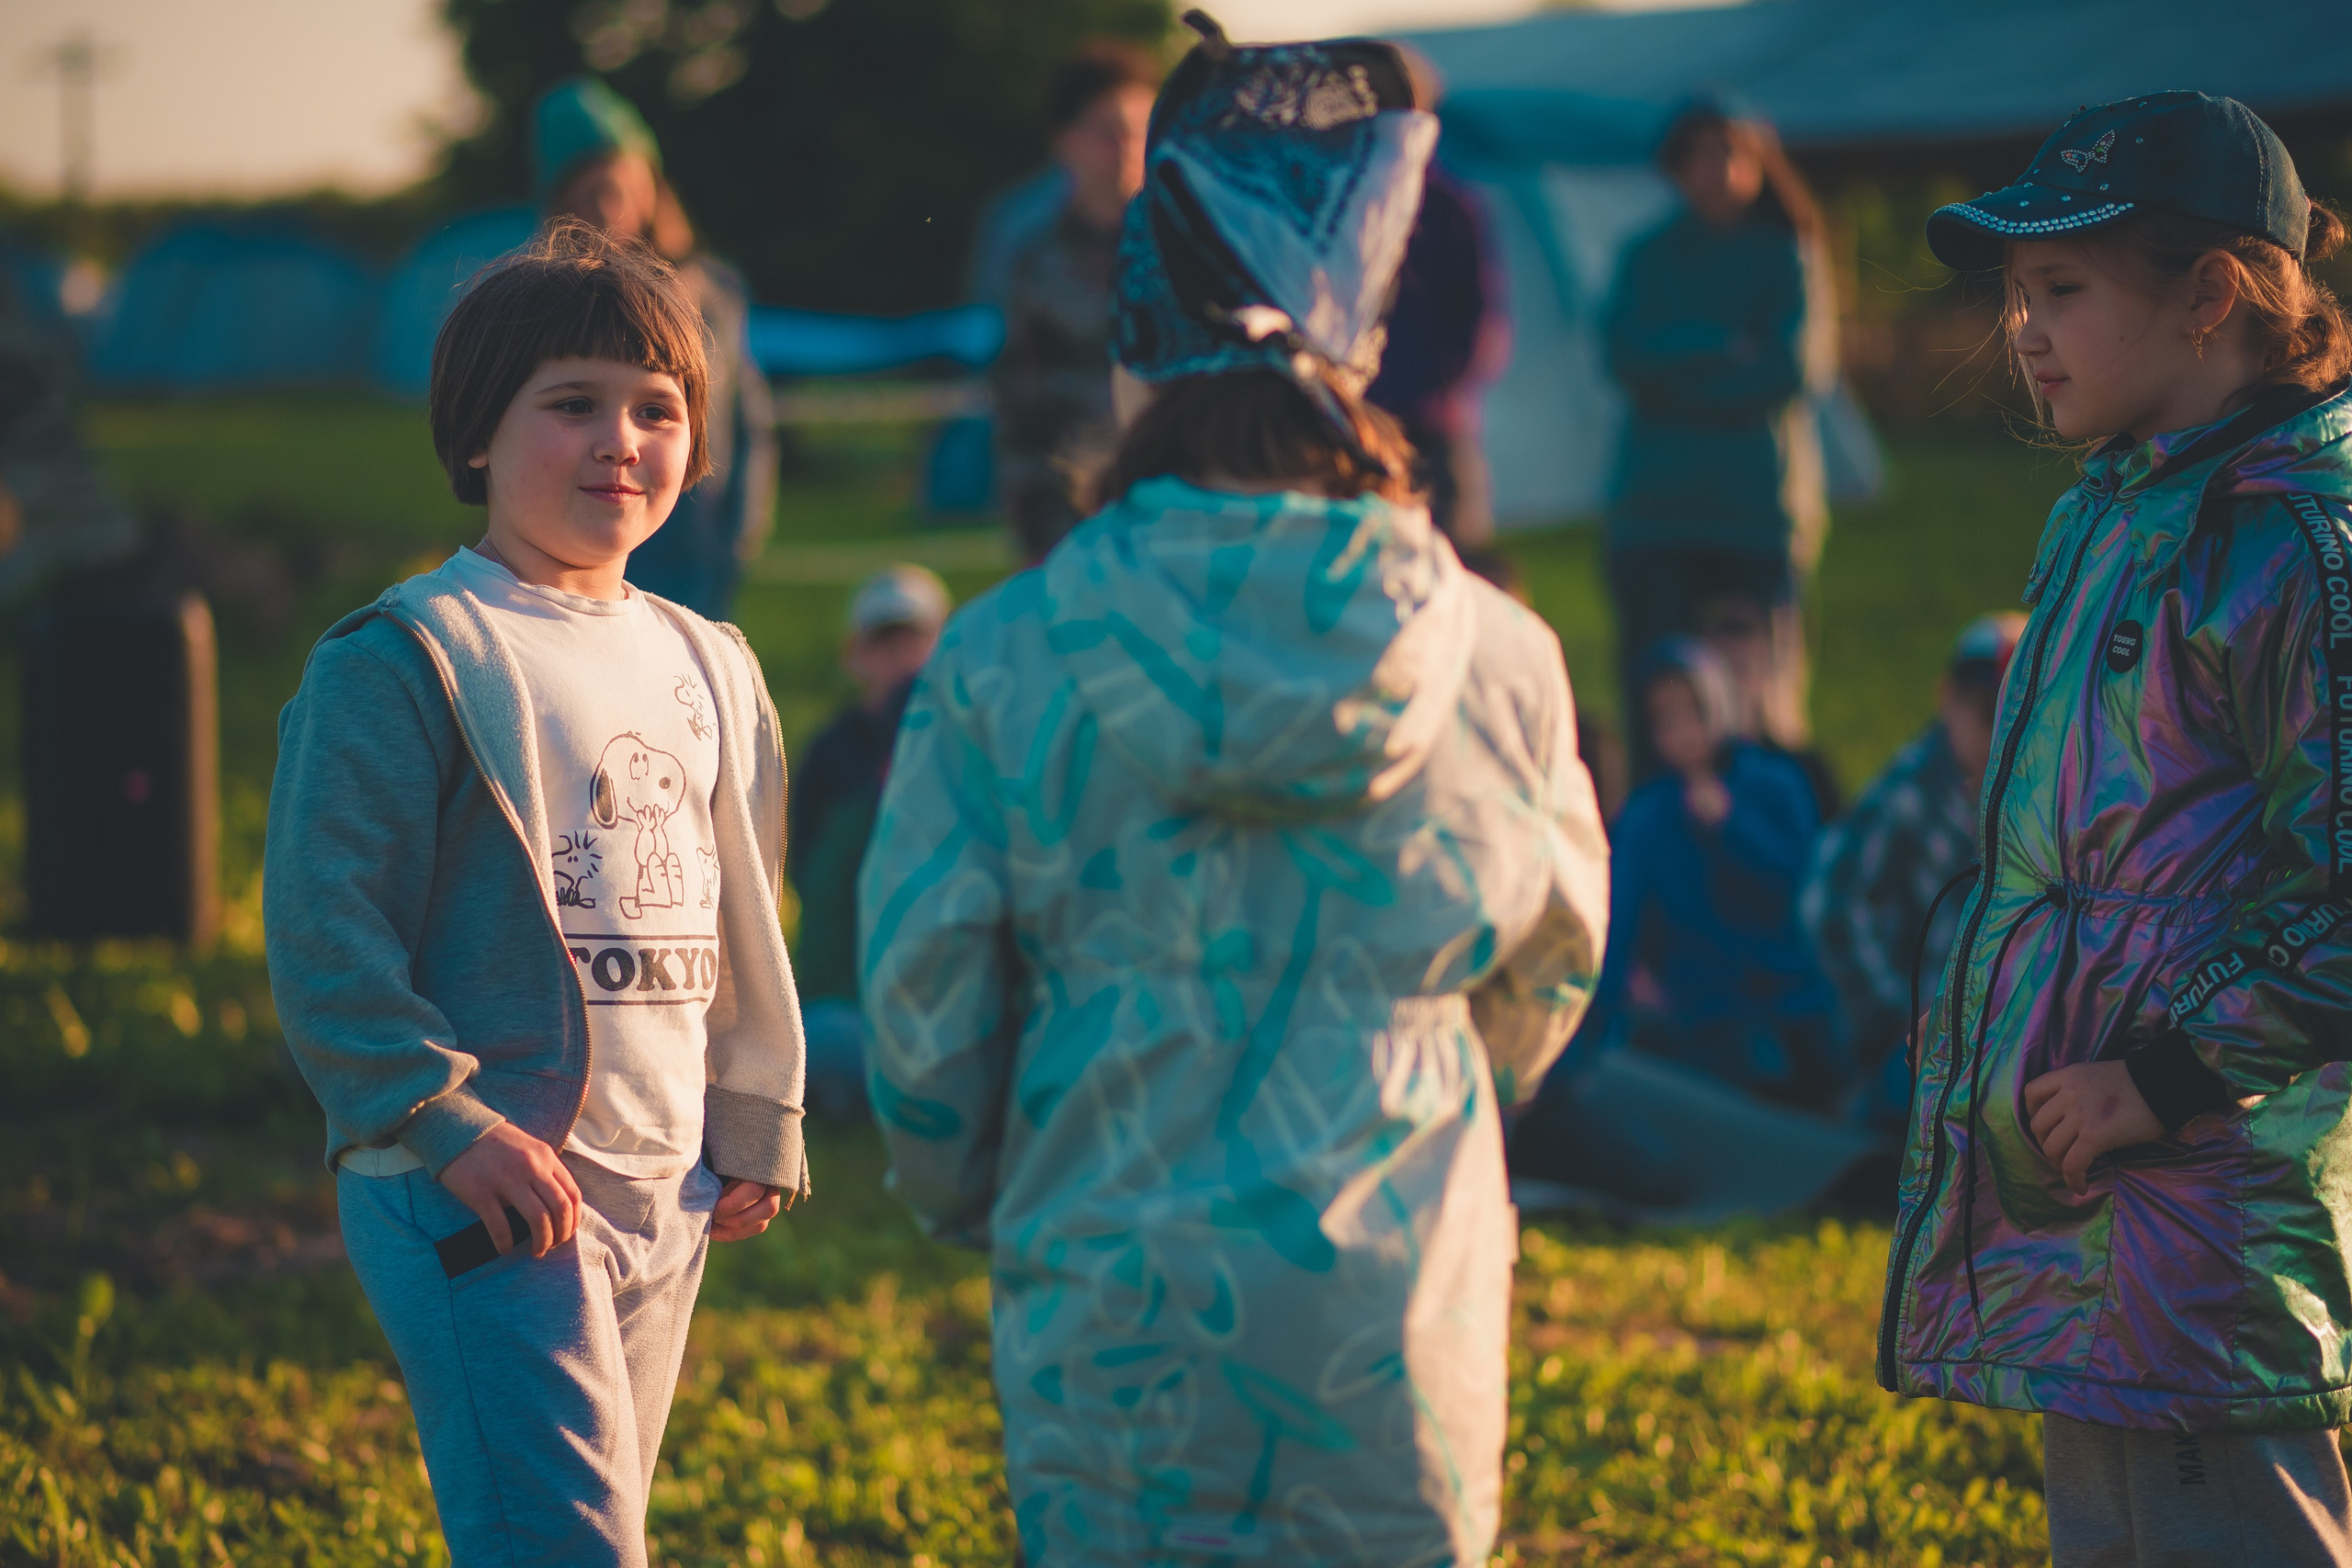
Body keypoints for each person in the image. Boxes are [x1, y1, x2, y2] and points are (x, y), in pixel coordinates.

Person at [859, 21, 1609, 1563]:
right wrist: (1419, 1066)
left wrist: (969, 1185)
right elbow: (1552, 965)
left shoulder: (1002, 654)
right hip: (1398, 1307)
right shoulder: (1501, 654)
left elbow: (926, 1000)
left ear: (1137, 347)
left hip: (1107, 1305)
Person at [262, 224, 809, 1564]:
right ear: (476, 436)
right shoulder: (410, 655)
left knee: (600, 1527)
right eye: (572, 404)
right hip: (484, 1183)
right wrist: (441, 1117)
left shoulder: (712, 659)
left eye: (657, 409)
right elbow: (328, 929)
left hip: (666, 1186)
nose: (620, 440)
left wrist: (752, 1109)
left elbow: (745, 910)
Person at [1882, 93, 2352, 1564]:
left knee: (2234, 1526)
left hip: (2210, 1195)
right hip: (2089, 1179)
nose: (2023, 331)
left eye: (2063, 289)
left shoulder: (2298, 545)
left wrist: (2166, 1076)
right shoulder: (2109, 512)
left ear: (2211, 293)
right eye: (2017, 294)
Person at [1604, 98, 1834, 778]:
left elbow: (1790, 369)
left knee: (1760, 700)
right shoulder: (1648, 257)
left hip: (1754, 513)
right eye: (1701, 156)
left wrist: (1677, 377)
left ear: (1759, 163)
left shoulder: (1785, 254)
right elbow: (1625, 359)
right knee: (1658, 698)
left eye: (1730, 154)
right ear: (1676, 168)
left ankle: (1764, 823)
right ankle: (1659, 827)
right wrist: (1719, 347)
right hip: (1656, 514)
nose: (1717, 171)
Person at [535, 77, 777, 619]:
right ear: (560, 201)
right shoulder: (541, 301)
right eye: (589, 194)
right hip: (588, 541)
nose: (607, 210)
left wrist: (743, 531)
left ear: (651, 185)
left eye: (619, 189)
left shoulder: (712, 292)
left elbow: (749, 418)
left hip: (698, 544)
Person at [1584, 637, 1842, 1104]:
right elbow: (1619, 920)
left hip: (1793, 1001)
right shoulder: (1647, 815)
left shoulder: (1777, 783)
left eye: (1695, 713)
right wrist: (1614, 996)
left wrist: (1732, 827)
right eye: (1667, 720)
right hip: (1704, 1014)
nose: (1684, 733)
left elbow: (1807, 885)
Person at [1800, 613, 2024, 1133]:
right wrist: (1893, 1014)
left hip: (2003, 1034)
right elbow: (1828, 904)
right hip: (1922, 1039)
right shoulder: (1909, 794)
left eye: (2015, 712)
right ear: (1947, 698)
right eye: (1985, 712)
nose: (1997, 730)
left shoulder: (2029, 792)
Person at [789, 563, 950, 1118]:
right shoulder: (831, 756)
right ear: (854, 654)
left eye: (914, 641)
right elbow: (807, 875)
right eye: (885, 644)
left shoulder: (969, 747)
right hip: (848, 997)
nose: (901, 659)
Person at [990, 42, 1158, 563]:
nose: (1126, 148)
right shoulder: (1037, 265)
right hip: (1071, 521)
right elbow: (1023, 411)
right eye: (1108, 131)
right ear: (1066, 140)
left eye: (1139, 130)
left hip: (1176, 512)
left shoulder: (1193, 253)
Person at [1365, 51, 1509, 547]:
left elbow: (1479, 319)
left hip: (1431, 425)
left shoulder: (1450, 207)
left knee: (1452, 553)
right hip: (1354, 425)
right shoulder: (1345, 207)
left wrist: (1432, 391)